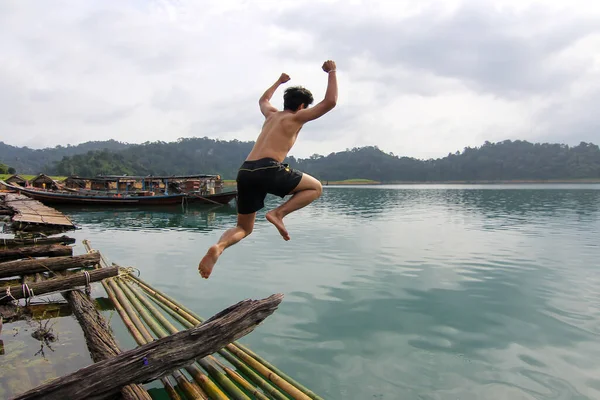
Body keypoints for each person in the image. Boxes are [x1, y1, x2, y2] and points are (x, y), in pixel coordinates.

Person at [199, 60, 338, 279]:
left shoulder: (271, 114)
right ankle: (278, 213)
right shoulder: (297, 117)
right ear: (302, 106)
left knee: (244, 228)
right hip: (268, 168)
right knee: (316, 188)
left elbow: (263, 100)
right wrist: (332, 71)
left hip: (245, 171)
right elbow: (330, 102)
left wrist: (279, 81)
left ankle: (219, 247)